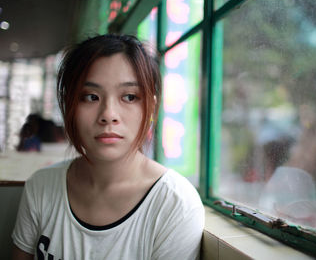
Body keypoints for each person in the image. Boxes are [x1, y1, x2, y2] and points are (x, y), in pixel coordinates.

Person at [12, 34, 205, 260]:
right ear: (69, 106)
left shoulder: (174, 206)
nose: (108, 115)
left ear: (151, 107)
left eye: (130, 97)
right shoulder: (41, 187)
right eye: (91, 97)